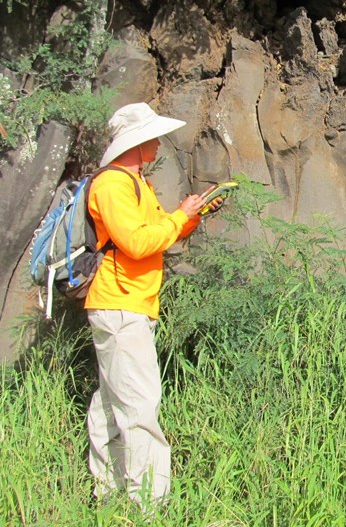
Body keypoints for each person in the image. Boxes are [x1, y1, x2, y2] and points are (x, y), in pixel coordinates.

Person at [84, 102, 221, 507]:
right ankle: (149, 506)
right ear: (137, 142)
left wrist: (192, 216)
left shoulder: (136, 183)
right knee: (140, 405)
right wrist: (178, 215)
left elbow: (159, 236)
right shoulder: (112, 185)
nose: (159, 144)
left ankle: (106, 497)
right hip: (121, 305)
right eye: (153, 137)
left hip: (130, 305)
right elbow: (138, 242)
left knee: (110, 405)